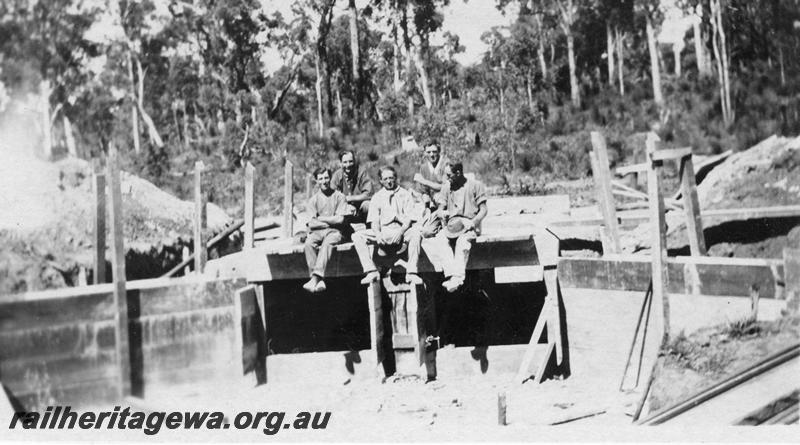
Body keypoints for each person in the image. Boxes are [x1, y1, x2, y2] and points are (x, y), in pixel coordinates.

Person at [351, 166, 423, 286]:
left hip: (402, 230)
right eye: (385, 179)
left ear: (396, 178)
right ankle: (371, 270)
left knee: (416, 233)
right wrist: (378, 234)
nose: (389, 181)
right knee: (357, 236)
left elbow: (409, 219)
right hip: (384, 231)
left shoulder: (405, 194)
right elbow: (374, 221)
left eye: (391, 178)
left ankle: (411, 272)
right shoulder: (377, 197)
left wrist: (400, 232)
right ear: (380, 180)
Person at [422, 162, 487, 293]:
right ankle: (451, 274)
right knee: (440, 239)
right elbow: (441, 208)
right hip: (452, 226)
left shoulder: (475, 185)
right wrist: (441, 213)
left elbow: (484, 210)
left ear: (458, 173)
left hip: (469, 225)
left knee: (463, 243)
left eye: (449, 175)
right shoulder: (447, 187)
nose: (446, 178)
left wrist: (473, 222)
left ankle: (458, 277)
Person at [303, 167, 348, 293]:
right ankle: (318, 279)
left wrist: (321, 218)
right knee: (308, 243)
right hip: (317, 232)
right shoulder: (313, 200)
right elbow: (311, 223)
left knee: (327, 243)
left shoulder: (339, 197)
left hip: (335, 232)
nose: (324, 181)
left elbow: (340, 220)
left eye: (326, 178)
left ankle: (315, 278)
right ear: (317, 181)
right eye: (321, 179)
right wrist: (329, 221)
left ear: (330, 178)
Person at [331, 150, 373, 222]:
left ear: (354, 161)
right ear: (340, 163)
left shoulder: (362, 172)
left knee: (368, 205)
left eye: (350, 161)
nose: (348, 165)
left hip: (360, 205)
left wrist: (349, 198)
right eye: (345, 162)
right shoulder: (337, 176)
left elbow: (368, 194)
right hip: (344, 207)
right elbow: (333, 197)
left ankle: (370, 227)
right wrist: (346, 205)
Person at [413, 139, 448, 210]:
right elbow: (423, 190)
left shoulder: (445, 164)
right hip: (432, 201)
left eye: (434, 152)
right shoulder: (424, 167)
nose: (432, 155)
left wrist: (425, 182)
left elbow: (445, 187)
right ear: (425, 153)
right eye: (428, 152)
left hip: (446, 200)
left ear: (439, 151)